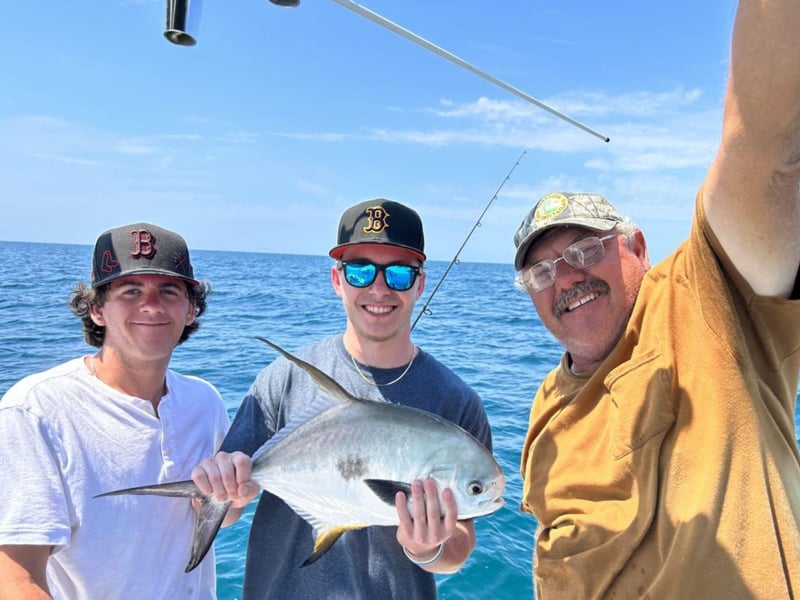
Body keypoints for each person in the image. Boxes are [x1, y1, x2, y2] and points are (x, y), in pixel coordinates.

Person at [512, 2, 800, 599]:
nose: (565, 278)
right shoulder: (545, 404)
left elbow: (768, 147)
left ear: (637, 246)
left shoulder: (709, 293)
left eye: (587, 250)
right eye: (541, 271)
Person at [191, 198, 493, 599]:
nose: (379, 288)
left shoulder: (456, 402)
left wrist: (428, 547)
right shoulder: (283, 380)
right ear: (337, 280)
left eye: (400, 273)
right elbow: (223, 510)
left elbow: (458, 548)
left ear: (420, 283)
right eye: (360, 271)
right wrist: (220, 492)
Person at [0, 223, 230, 599]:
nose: (151, 304)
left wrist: (233, 494)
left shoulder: (205, 401)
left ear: (191, 310)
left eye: (168, 291)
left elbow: (223, 514)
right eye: (130, 290)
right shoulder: (35, 411)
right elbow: (16, 581)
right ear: (96, 309)